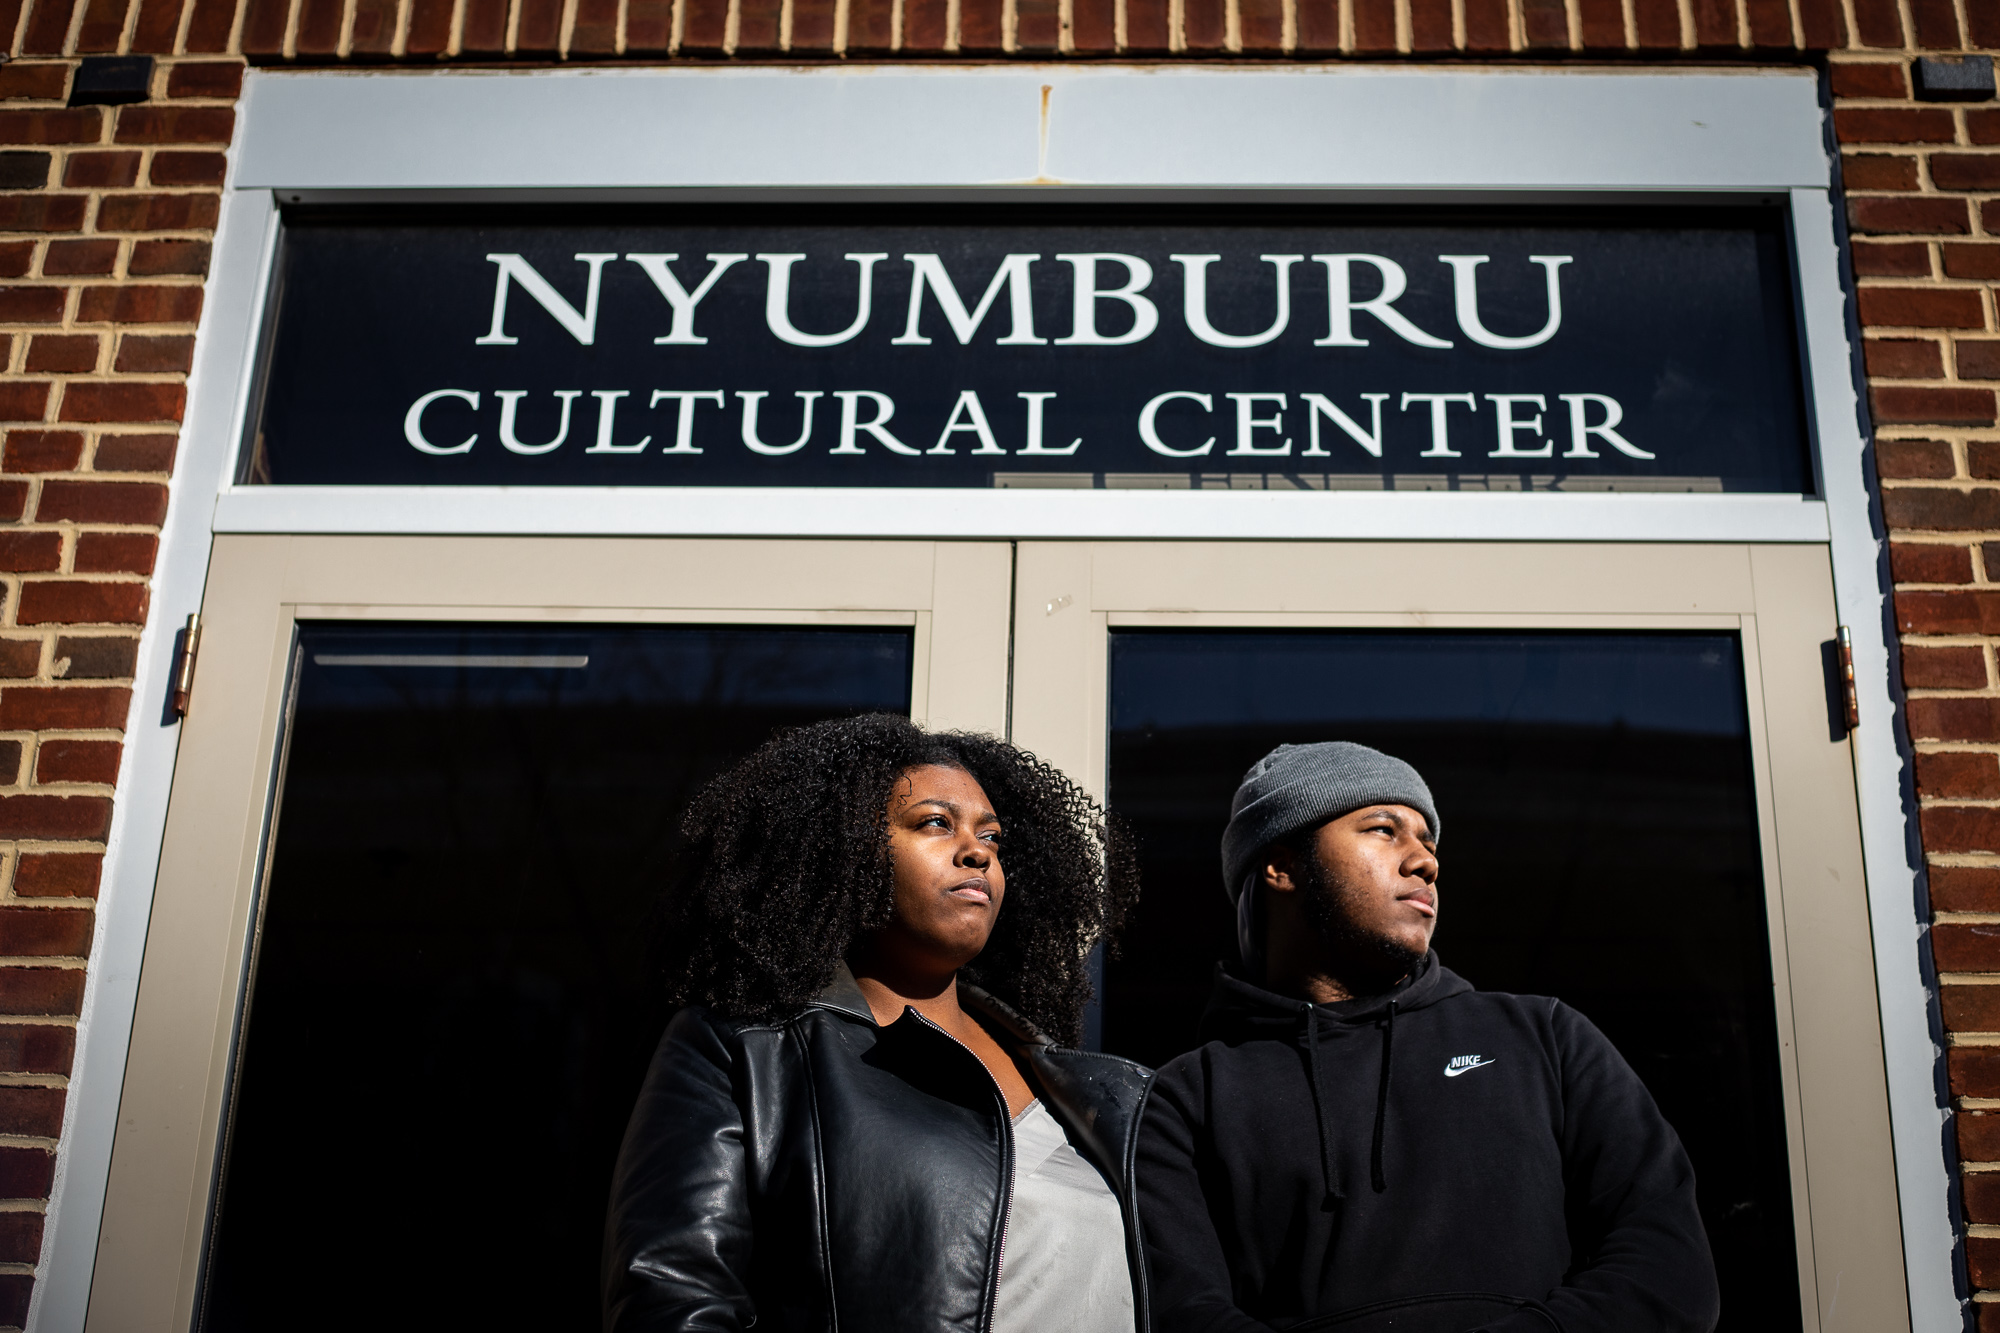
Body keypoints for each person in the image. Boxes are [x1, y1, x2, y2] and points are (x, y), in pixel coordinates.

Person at [1136, 741, 1720, 1333]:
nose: (1425, 863)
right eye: (1384, 830)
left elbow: (1668, 1268)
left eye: (1428, 843)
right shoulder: (1187, 1098)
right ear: (1281, 866)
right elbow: (1182, 1311)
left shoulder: (1545, 1038)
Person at [604, 712, 1149, 1333]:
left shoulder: (1100, 1095)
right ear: (844, 851)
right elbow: (672, 1298)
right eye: (935, 823)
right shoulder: (748, 1054)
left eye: (992, 837)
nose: (977, 852)